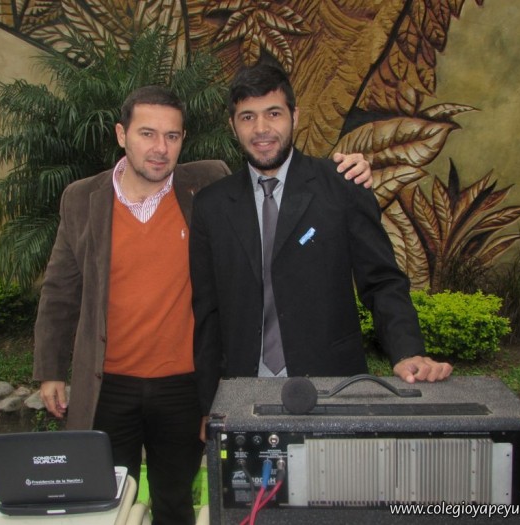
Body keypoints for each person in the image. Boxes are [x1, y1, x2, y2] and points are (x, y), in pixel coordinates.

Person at [33, 85, 373, 525]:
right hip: (107, 385)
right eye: (147, 134)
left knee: (176, 504)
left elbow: (277, 171)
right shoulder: (83, 199)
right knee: (104, 504)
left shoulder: (208, 184)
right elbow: (60, 290)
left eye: (172, 136)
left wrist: (349, 168)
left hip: (183, 387)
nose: (160, 148)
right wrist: (50, 370)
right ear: (121, 134)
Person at [189, 62, 453, 423]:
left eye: (273, 113)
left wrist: (407, 351)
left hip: (332, 383)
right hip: (241, 392)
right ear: (233, 126)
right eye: (247, 117)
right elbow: (207, 315)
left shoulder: (342, 186)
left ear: (295, 117)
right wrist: (209, 406)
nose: (261, 129)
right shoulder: (211, 206)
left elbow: (382, 281)